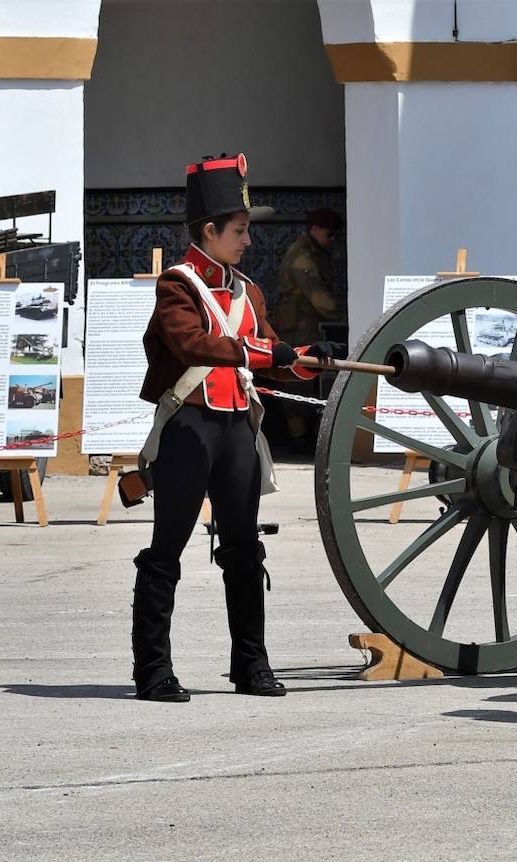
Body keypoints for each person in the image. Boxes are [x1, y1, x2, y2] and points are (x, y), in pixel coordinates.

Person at [130, 153, 330, 702]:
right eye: (239, 231)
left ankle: (252, 665)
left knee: (244, 549)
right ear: (210, 231)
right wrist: (266, 352)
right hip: (189, 427)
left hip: (237, 427)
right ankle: (152, 671)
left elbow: (273, 352)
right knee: (166, 547)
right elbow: (193, 344)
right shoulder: (177, 286)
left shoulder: (249, 291)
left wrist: (310, 358)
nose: (247, 241)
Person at [274, 207, 345, 445]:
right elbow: (320, 299)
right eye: (329, 233)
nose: (332, 239)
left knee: (307, 379)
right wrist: (347, 313)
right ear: (315, 229)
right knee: (297, 380)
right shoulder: (303, 258)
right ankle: (298, 438)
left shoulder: (316, 252)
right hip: (298, 328)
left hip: (308, 325)